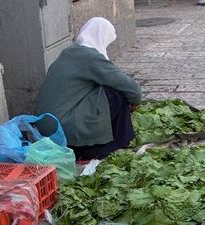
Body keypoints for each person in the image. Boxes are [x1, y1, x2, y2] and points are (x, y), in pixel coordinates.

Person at [34, 17, 142, 160]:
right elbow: (132, 90)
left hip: (46, 128)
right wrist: (133, 102)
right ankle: (114, 143)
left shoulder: (69, 53)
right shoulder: (90, 57)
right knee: (116, 94)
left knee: (104, 89)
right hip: (62, 128)